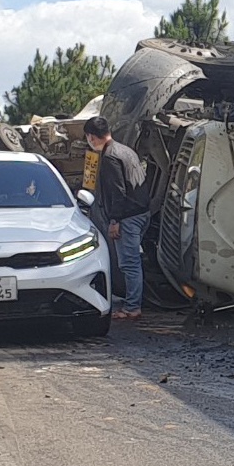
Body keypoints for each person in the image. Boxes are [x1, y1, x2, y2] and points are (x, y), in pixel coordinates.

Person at [84, 116, 150, 320]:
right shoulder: (125, 150)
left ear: (91, 137)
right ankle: (134, 302)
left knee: (129, 264)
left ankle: (132, 307)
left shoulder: (110, 157)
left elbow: (118, 193)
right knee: (133, 262)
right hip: (142, 212)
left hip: (127, 217)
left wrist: (114, 221)